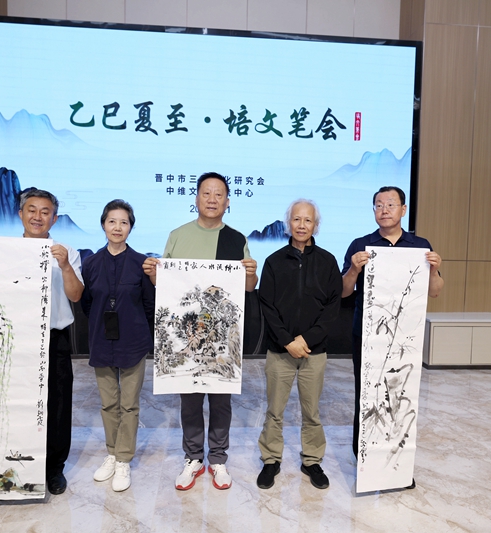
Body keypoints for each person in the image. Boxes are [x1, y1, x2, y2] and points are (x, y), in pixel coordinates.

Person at [0, 188, 84, 496]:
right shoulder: (2, 251)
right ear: (20, 214)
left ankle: (54, 469)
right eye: (32, 210)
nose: (38, 216)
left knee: (57, 405)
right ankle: (11, 466)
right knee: (13, 402)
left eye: (45, 212)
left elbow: (75, 296)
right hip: (15, 338)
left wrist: (65, 266)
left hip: (54, 339)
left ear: (54, 218)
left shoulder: (66, 251)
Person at [142, 172, 258, 491]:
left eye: (218, 194)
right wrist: (152, 273)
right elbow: (164, 283)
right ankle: (193, 457)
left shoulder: (236, 239)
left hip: (221, 335)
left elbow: (248, 287)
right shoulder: (178, 235)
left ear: (227, 202)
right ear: (195, 198)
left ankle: (218, 458)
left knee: (221, 400)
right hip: (188, 331)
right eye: (206, 193)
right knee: (190, 399)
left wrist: (251, 273)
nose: (212, 199)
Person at [341, 186, 443, 457]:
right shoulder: (360, 244)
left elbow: (435, 291)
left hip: (406, 337)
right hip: (368, 335)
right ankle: (363, 457)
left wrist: (434, 270)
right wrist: (353, 269)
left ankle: (397, 460)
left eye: (390, 204)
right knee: (367, 394)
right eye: (378, 205)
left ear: (403, 209)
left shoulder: (420, 246)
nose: (384, 210)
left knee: (402, 395)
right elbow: (343, 292)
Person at [256, 200, 341, 491]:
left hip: (314, 352)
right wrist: (287, 341)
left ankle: (312, 461)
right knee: (274, 410)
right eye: (296, 219)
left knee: (312, 412)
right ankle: (271, 460)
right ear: (288, 223)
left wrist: (306, 339)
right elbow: (266, 305)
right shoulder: (274, 261)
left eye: (307, 220)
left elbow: (332, 307)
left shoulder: (328, 261)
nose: (301, 225)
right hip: (280, 351)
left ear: (315, 225)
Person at [81, 200, 154, 492]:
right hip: (102, 341)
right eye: (112, 221)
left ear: (130, 228)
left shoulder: (141, 264)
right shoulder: (91, 263)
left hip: (133, 342)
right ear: (103, 224)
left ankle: (123, 459)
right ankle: (111, 453)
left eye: (124, 222)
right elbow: (87, 304)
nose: (117, 227)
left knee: (129, 404)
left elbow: (149, 305)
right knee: (109, 403)